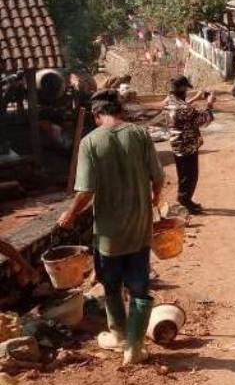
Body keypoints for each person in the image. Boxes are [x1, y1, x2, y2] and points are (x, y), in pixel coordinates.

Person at [57, 89, 165, 365]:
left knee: (112, 284)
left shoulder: (90, 142)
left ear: (96, 115)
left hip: (108, 232)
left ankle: (118, 335)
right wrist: (154, 198)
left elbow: (85, 191)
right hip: (140, 227)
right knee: (140, 286)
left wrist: (69, 215)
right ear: (119, 112)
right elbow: (158, 177)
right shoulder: (140, 135)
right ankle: (134, 347)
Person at [164, 76, 215, 215]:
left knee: (183, 173)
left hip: (176, 143)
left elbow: (184, 108)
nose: (187, 91)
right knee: (191, 175)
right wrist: (209, 104)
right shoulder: (184, 108)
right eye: (186, 88)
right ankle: (184, 201)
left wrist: (195, 99)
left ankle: (185, 198)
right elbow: (203, 120)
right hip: (187, 145)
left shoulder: (169, 102)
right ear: (182, 89)